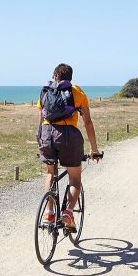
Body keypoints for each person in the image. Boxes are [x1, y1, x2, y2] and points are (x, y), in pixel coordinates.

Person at [36, 63, 102, 231]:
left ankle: (49, 213)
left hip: (46, 134)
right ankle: (68, 213)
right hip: (68, 136)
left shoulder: (45, 91)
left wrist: (41, 141)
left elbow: (40, 120)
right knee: (75, 178)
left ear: (54, 76)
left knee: (50, 173)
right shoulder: (77, 92)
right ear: (70, 78)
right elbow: (87, 121)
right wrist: (94, 150)